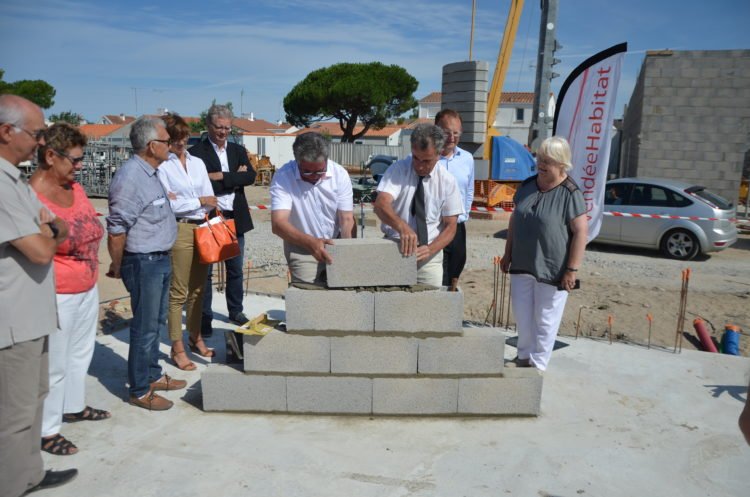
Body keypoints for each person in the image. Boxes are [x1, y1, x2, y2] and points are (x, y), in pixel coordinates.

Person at [0, 94, 78, 495]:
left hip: (32, 316)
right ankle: (12, 484)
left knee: (34, 398)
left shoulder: (15, 179)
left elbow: (59, 228)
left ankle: (30, 474)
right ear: (5, 131)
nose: (41, 141)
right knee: (14, 414)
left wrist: (50, 230)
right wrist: (49, 231)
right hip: (12, 321)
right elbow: (43, 248)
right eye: (36, 133)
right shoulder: (1, 184)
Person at [30, 123, 110, 456]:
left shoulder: (74, 188)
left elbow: (89, 224)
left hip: (87, 286)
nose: (80, 166)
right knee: (56, 365)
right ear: (51, 156)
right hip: (57, 291)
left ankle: (73, 406)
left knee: (81, 354)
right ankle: (47, 431)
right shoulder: (30, 196)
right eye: (75, 160)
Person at [107, 116, 186, 411]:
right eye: (166, 141)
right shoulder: (130, 177)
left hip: (159, 260)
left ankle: (152, 375)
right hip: (143, 262)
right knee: (144, 327)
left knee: (155, 323)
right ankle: (139, 389)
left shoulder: (151, 173)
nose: (171, 146)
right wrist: (118, 266)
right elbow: (116, 229)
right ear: (152, 146)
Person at [500, 136, 587, 371]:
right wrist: (507, 253)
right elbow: (514, 221)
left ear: (561, 164)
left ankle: (538, 364)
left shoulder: (570, 192)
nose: (541, 163)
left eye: (547, 160)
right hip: (522, 263)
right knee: (523, 316)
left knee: (546, 320)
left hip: (553, 269)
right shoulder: (527, 186)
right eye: (539, 157)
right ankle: (524, 356)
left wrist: (571, 270)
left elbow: (580, 232)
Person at [188, 105, 256, 339]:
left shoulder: (237, 150)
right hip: (210, 219)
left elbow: (251, 177)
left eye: (227, 128)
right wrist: (233, 178)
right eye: (219, 127)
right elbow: (199, 186)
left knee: (235, 270)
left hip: (235, 219)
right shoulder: (195, 153)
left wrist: (219, 176)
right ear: (208, 126)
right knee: (205, 274)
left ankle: (235, 311)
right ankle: (204, 318)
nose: (224, 132)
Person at [157, 114, 217, 370]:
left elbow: (211, 197)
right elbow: (168, 204)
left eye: (184, 139)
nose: (182, 144)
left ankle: (195, 337)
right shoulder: (162, 166)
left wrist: (191, 201)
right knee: (179, 291)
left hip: (202, 226)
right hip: (179, 228)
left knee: (199, 289)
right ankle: (177, 346)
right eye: (176, 140)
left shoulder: (198, 163)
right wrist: (197, 201)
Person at [373, 123, 464, 287]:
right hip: (394, 249)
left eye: (427, 160)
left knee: (429, 308)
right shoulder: (398, 170)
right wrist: (402, 227)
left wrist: (430, 249)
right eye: (416, 158)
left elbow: (451, 227)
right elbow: (380, 204)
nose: (420, 165)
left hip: (429, 257)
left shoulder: (448, 181)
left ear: (439, 154)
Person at [270, 132, 355, 284]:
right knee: (308, 300)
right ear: (297, 161)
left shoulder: (340, 174)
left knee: (341, 295)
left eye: (320, 171)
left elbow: (347, 219)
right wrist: (311, 243)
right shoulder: (283, 177)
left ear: (326, 160)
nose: (314, 176)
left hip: (335, 243)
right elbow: (278, 224)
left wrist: (347, 250)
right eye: (307, 171)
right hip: (301, 247)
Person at [435, 109, 475, 287]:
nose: (452, 137)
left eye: (456, 132)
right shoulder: (427, 158)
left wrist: (464, 214)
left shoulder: (467, 158)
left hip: (458, 225)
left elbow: (469, 190)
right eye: (446, 132)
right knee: (437, 273)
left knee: (455, 269)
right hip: (434, 226)